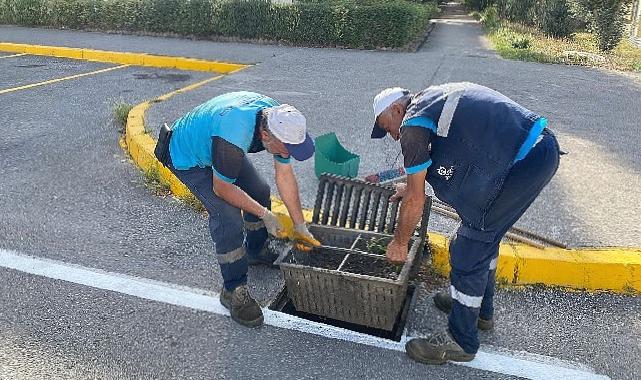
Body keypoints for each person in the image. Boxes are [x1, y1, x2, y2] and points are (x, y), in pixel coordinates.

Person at [370, 83, 561, 364]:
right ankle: (478, 309)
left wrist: (399, 243)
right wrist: (409, 187)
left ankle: (461, 341)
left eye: (387, 127)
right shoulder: (428, 101)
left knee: (468, 247)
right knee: (485, 239)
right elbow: (428, 171)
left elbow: (415, 199)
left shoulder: (412, 124)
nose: (391, 135)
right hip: (535, 151)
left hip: (523, 162)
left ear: (397, 109)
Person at [155, 91, 320, 328]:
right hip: (187, 155)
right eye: (286, 150)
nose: (287, 155)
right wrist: (266, 215)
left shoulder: (277, 118)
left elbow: (284, 175)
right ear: (265, 135)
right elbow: (222, 189)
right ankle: (233, 290)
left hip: (216, 144)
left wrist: (300, 225)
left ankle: (256, 249)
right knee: (228, 217)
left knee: (259, 192)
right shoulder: (234, 136)